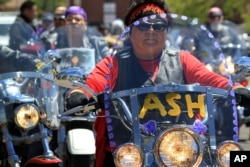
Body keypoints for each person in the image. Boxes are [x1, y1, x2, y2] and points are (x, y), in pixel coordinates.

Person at [65, 0, 250, 166]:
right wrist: (80, 93)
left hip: (182, 147)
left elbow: (210, 78)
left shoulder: (183, 59)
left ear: (166, 31)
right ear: (130, 32)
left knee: (230, 159)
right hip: (130, 153)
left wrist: (235, 88)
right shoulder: (114, 63)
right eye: (143, 26)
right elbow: (95, 81)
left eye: (159, 26)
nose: (151, 31)